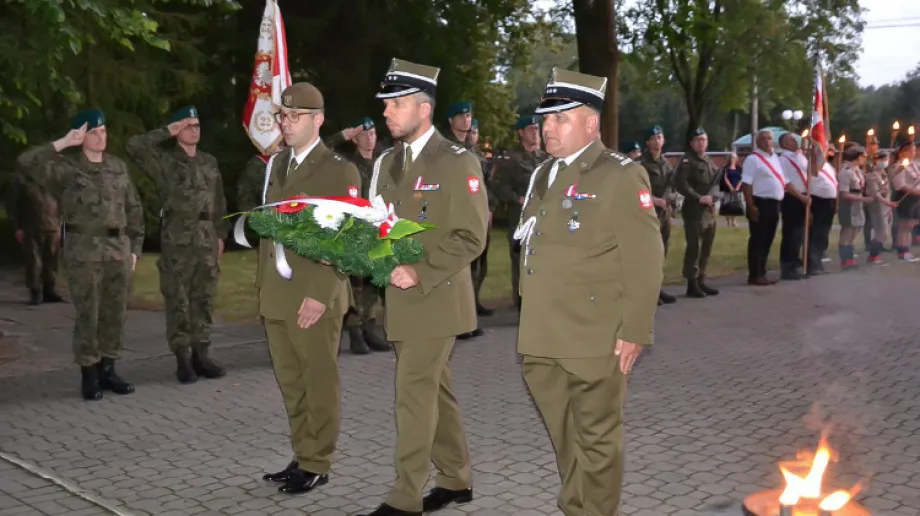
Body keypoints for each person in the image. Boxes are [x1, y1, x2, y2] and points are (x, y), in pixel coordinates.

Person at [514, 67, 663, 516]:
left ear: (591, 123)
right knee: (566, 435)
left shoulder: (620, 175)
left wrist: (635, 329)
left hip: (594, 334)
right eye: (546, 119)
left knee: (597, 439)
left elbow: (646, 258)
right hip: (542, 335)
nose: (548, 128)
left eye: (561, 118)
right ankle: (577, 503)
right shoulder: (543, 174)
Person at [358, 58, 488, 516]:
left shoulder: (456, 161)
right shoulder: (388, 162)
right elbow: (379, 225)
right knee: (436, 391)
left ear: (424, 108)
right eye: (386, 104)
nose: (387, 113)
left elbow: (472, 236)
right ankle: (455, 479)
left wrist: (421, 270)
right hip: (400, 299)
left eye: (396, 104)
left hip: (436, 297)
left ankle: (404, 496)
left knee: (413, 393)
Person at [258, 83, 362, 494]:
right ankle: (302, 453)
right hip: (278, 294)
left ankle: (318, 461)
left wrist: (320, 294)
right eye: (283, 116)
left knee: (318, 382)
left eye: (295, 116)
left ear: (317, 120)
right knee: (291, 382)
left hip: (313, 296)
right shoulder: (278, 165)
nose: (286, 123)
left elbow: (346, 238)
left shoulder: (338, 170)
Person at [16, 109, 144, 400]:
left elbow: (134, 209)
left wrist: (134, 248)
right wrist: (63, 143)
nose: (101, 137)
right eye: (94, 132)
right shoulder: (67, 168)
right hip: (84, 250)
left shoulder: (118, 167)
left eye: (104, 131)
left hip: (118, 250)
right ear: (81, 137)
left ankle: (109, 369)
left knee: (114, 313)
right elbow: (26, 164)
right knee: (89, 313)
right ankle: (89, 373)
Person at [126, 106, 229, 384]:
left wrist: (221, 234)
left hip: (206, 237)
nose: (194, 129)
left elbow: (218, 199)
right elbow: (134, 146)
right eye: (187, 125)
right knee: (178, 299)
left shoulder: (209, 161)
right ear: (177, 129)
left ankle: (201, 355)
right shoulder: (165, 161)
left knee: (204, 298)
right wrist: (167, 131)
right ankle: (183, 359)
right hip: (178, 238)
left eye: (197, 125)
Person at [325, 117, 391, 354]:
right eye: (364, 133)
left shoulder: (383, 162)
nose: (370, 137)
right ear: (355, 139)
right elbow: (322, 149)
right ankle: (354, 332)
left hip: (378, 229)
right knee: (356, 283)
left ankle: (369, 328)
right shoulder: (347, 163)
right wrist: (341, 135)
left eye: (373, 132)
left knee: (374, 281)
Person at [490, 114, 548, 310]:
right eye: (531, 129)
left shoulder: (545, 158)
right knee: (521, 259)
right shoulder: (512, 159)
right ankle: (522, 301)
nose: (535, 132)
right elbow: (498, 185)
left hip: (543, 216)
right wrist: (517, 199)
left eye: (537, 129)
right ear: (521, 133)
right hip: (521, 218)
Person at [674, 128, 721, 298]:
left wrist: (713, 197)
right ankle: (691, 283)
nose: (701, 143)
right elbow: (680, 183)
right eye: (698, 140)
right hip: (694, 210)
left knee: (706, 247)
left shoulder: (709, 160)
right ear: (692, 143)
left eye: (704, 139)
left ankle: (702, 278)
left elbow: (717, 182)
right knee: (694, 247)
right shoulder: (687, 161)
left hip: (709, 210)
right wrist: (698, 197)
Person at [5, 171, 65, 304]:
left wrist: (60, 225)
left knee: (52, 260)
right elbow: (13, 206)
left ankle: (49, 290)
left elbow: (60, 204)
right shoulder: (22, 183)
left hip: (52, 226)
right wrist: (18, 227)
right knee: (34, 260)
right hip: (31, 227)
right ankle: (35, 291)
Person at [741, 129, 786, 285]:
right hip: (760, 202)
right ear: (758, 141)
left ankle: (762, 271)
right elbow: (746, 184)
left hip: (774, 203)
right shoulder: (753, 159)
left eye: (770, 138)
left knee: (768, 238)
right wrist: (750, 205)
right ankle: (755, 274)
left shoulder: (775, 158)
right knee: (758, 239)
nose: (768, 141)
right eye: (764, 139)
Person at [639, 125, 677, 304]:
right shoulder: (640, 164)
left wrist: (670, 202)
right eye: (653, 138)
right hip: (647, 214)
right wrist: (654, 200)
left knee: (662, 252)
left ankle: (658, 288)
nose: (657, 141)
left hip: (664, 214)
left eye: (660, 137)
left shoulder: (666, 163)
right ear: (647, 142)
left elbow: (671, 186)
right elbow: (636, 189)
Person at [777, 133, 813, 280]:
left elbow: (810, 172)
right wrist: (800, 196)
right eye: (791, 140)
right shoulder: (782, 159)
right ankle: (787, 266)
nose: (795, 141)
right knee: (791, 233)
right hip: (792, 198)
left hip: (805, 196)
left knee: (800, 232)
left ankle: (797, 263)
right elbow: (786, 182)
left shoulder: (800, 156)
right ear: (784, 143)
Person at [836, 146, 873, 269]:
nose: (865, 159)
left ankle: (850, 257)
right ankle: (846, 260)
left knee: (855, 230)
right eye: (864, 157)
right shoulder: (846, 172)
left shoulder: (857, 170)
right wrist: (863, 199)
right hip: (849, 205)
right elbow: (844, 193)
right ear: (857, 156)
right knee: (847, 231)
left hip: (858, 203)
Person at [806, 147, 838, 275]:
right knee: (815, 233)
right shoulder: (812, 165)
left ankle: (818, 261)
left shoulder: (828, 166)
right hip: (817, 200)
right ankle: (812, 264)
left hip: (829, 201)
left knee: (824, 234)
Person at [889, 141, 920, 262]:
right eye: (910, 150)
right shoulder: (899, 166)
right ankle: (902, 251)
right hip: (905, 197)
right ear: (902, 153)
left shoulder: (914, 165)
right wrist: (916, 192)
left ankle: (906, 249)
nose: (913, 153)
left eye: (913, 150)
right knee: (904, 225)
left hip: (915, 197)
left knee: (911, 225)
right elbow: (900, 185)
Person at [865, 151, 895, 264]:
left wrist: (890, 206)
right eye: (881, 159)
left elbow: (888, 192)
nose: (883, 162)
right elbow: (876, 194)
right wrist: (889, 204)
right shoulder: (871, 175)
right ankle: (873, 255)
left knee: (883, 232)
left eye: (885, 159)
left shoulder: (884, 174)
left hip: (885, 206)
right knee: (882, 232)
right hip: (877, 206)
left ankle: (874, 255)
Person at [718, 152, 744, 227]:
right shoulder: (726, 168)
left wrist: (738, 186)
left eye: (734, 157)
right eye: (731, 157)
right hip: (727, 189)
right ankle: (728, 221)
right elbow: (724, 178)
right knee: (727, 205)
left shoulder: (739, 168)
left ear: (736, 159)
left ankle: (734, 221)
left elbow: (741, 178)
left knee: (736, 205)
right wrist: (730, 187)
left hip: (737, 189)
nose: (732, 159)